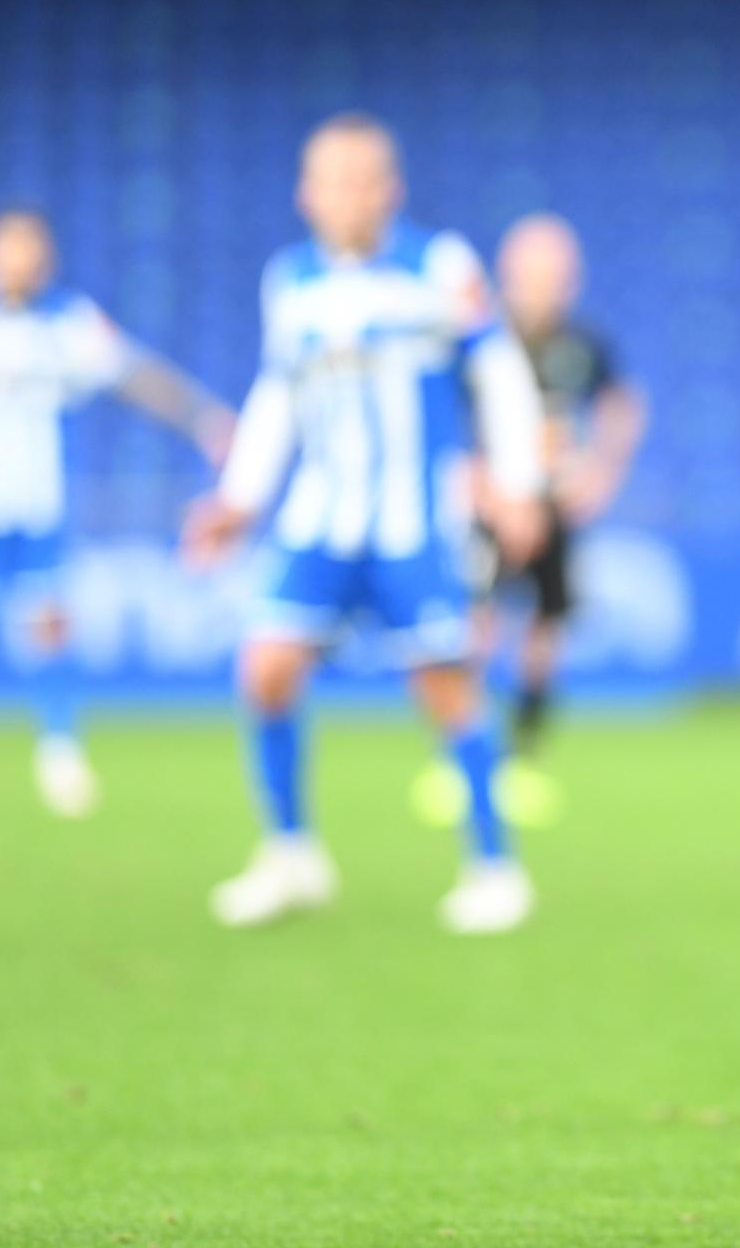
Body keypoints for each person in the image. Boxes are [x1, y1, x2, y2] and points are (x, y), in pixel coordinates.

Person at [183, 113, 547, 936]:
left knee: (444, 686)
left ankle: (493, 866)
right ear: (306, 195)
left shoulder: (439, 265)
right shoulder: (291, 279)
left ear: (392, 189)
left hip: (411, 520)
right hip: (317, 517)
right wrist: (240, 499)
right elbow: (278, 396)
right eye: (331, 181)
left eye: (363, 180)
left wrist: (519, 484)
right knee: (266, 669)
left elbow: (497, 371)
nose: (347, 196)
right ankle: (291, 854)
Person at [0, 208, 230, 819]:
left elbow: (135, 372)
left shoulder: (67, 323)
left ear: (44, 259)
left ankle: (59, 751)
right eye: (6, 248)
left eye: (28, 249)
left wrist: (201, 417)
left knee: (48, 626)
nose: (16, 261)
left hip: (37, 505)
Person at [487, 213, 645, 759]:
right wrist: (478, 484)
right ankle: (469, 735)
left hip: (555, 505)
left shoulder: (583, 343)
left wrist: (601, 474)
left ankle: (526, 739)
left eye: (556, 273)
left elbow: (622, 406)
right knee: (476, 615)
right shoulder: (485, 343)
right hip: (493, 504)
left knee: (545, 621)